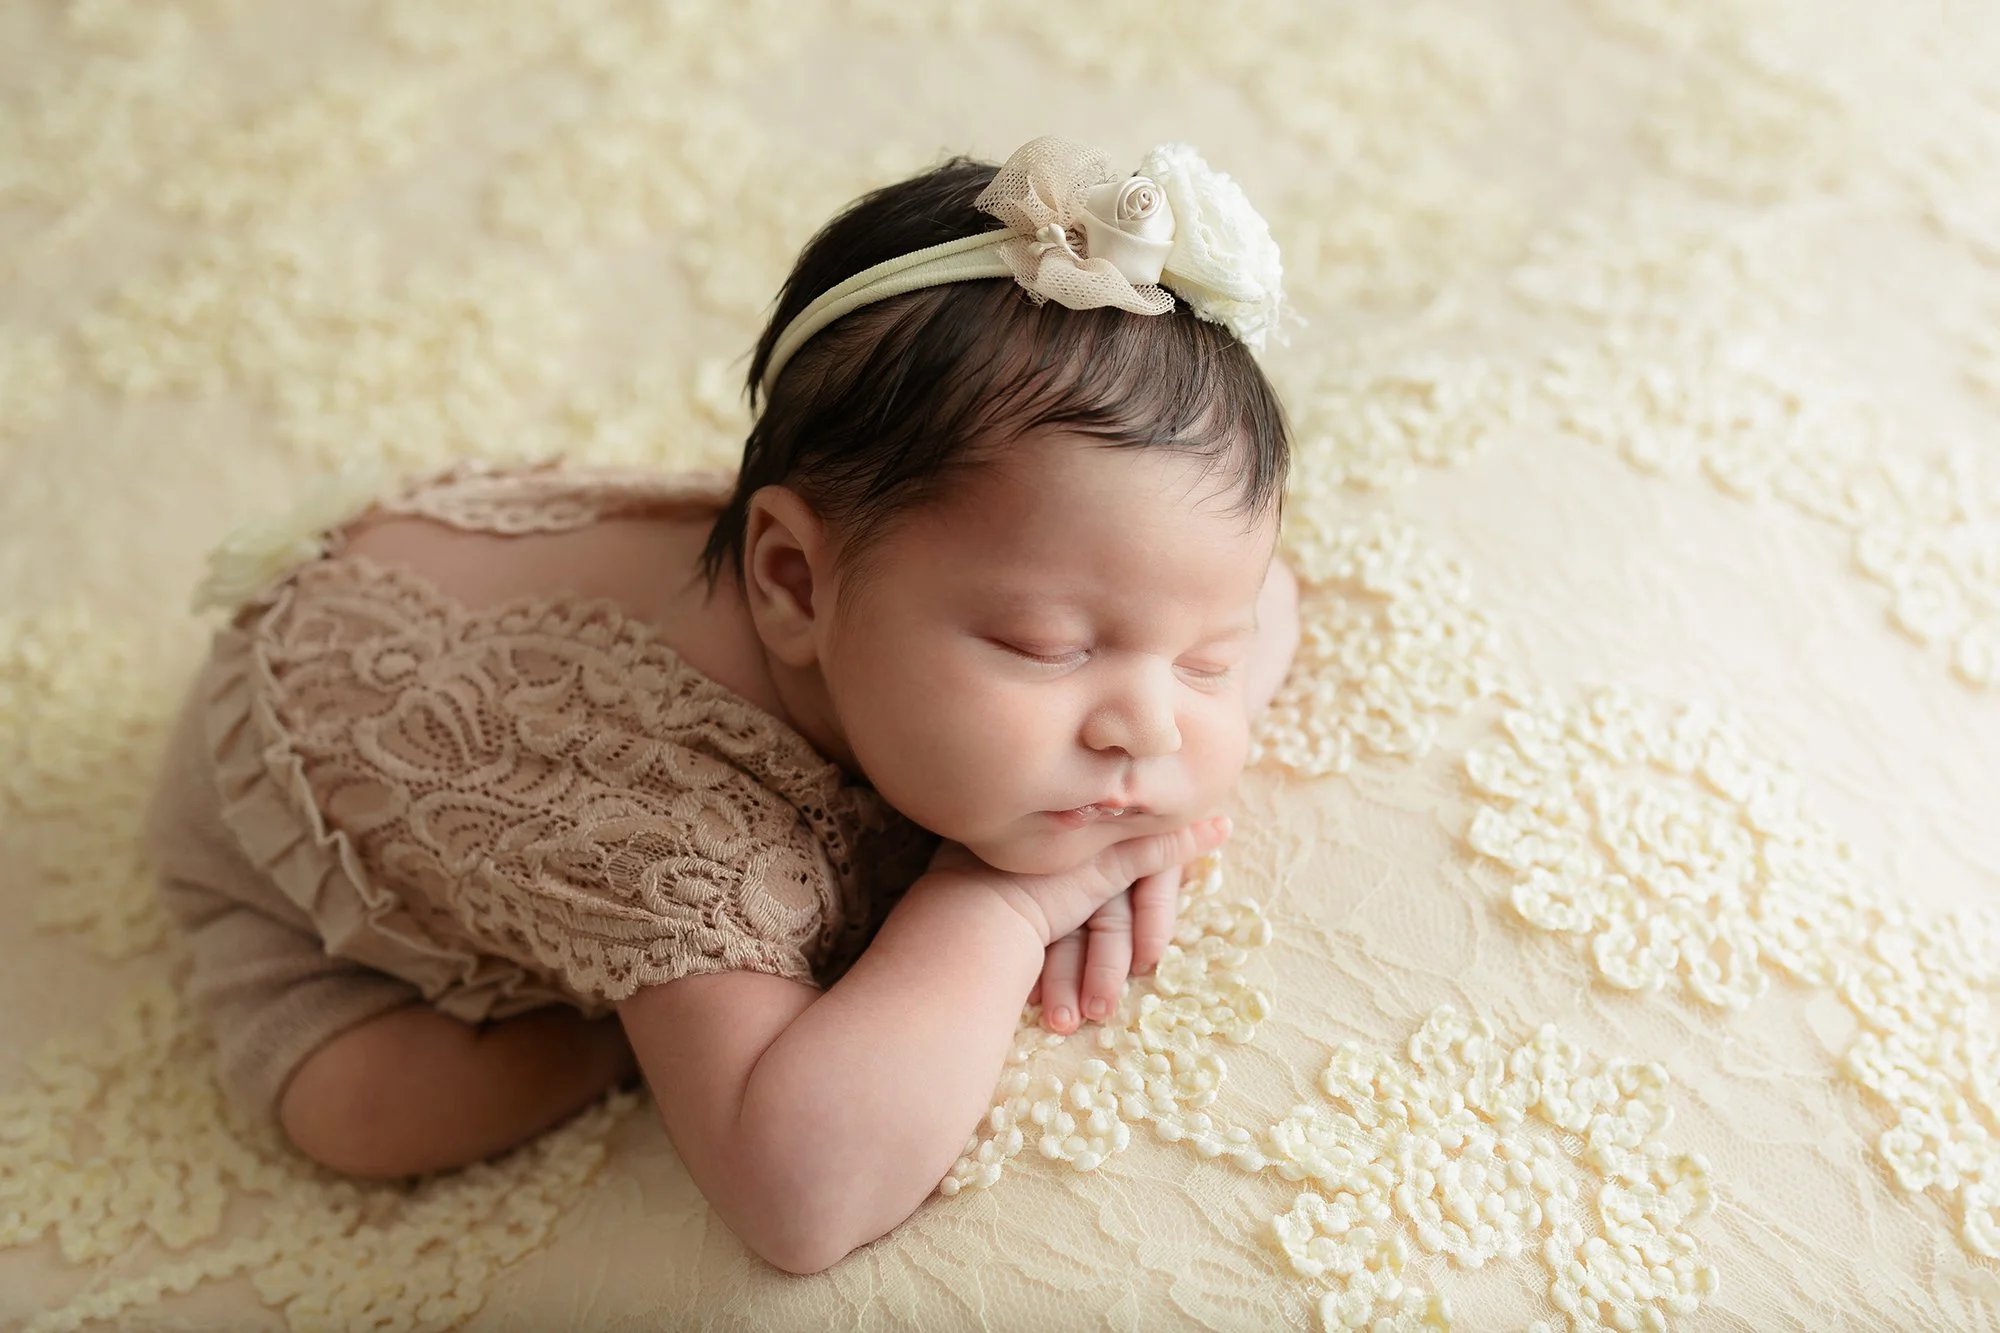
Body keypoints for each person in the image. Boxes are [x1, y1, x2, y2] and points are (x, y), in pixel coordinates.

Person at [143, 136, 1301, 1274]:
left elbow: (1271, 600)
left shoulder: (951, 585)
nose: (1147, 726)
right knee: (365, 1108)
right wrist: (997, 905)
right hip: (295, 793)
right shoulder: (675, 829)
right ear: (791, 582)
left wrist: (1180, 723)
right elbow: (799, 1196)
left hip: (500, 584)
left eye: (1201, 658)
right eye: (1048, 647)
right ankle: (590, 1029)